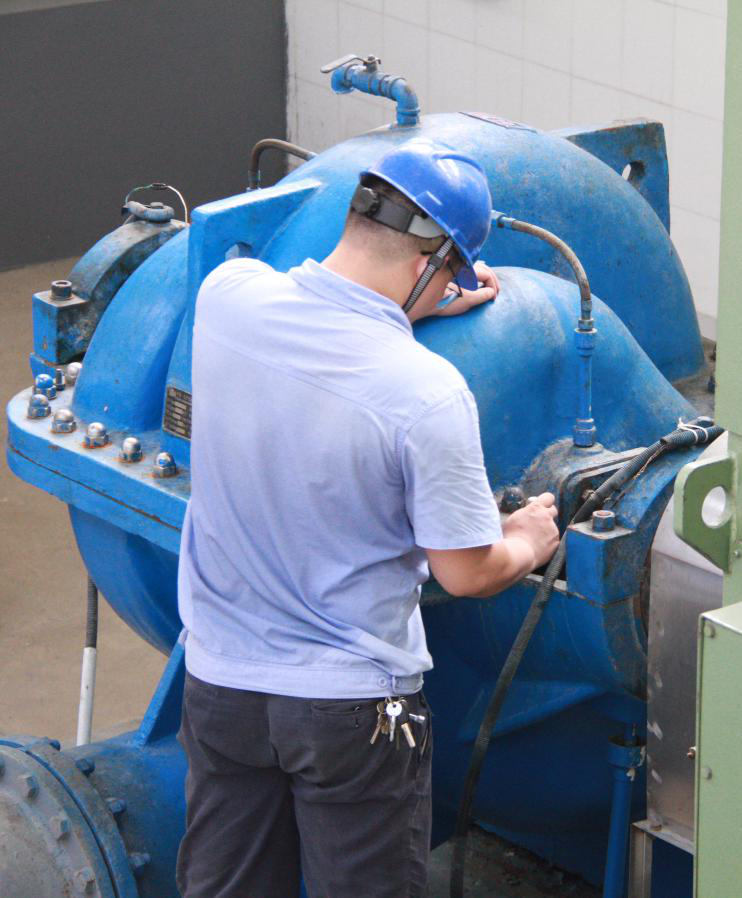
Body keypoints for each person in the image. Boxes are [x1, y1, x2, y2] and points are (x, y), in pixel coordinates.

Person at [174, 139, 561, 898]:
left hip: (220, 683)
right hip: (350, 710)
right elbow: (465, 572)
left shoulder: (226, 297)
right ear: (428, 267)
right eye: (448, 274)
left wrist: (412, 307)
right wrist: (524, 540)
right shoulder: (427, 393)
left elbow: (328, 316)